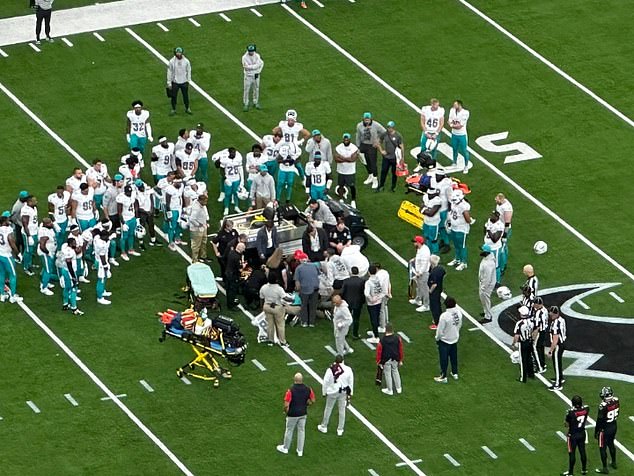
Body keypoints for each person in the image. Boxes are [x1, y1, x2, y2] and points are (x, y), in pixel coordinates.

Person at [277, 373, 315, 457]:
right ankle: (300, 450)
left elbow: (286, 405)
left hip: (292, 414)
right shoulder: (308, 389)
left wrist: (286, 412)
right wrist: (306, 404)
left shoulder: (290, 390)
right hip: (303, 413)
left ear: (294, 380)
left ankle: (286, 448)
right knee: (301, 431)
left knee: (289, 430)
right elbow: (313, 400)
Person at [317, 355, 354, 437]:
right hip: (343, 392)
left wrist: (324, 392)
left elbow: (325, 382)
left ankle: (324, 426)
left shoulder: (330, 369)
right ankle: (340, 429)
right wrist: (350, 393)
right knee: (342, 410)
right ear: (343, 360)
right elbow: (351, 382)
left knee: (328, 408)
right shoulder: (348, 369)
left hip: (332, 392)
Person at [434, 297, 462, 383]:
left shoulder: (444, 316)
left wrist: (437, 338)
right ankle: (455, 372)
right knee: (454, 357)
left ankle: (443, 376)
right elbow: (459, 325)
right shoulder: (459, 313)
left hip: (445, 341)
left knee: (444, 359)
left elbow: (439, 330)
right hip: (454, 338)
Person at [355, 112, 385, 189]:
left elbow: (384, 132)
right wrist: (358, 147)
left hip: (372, 145)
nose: (367, 121)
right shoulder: (359, 126)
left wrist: (378, 141)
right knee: (364, 161)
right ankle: (370, 175)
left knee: (373, 163)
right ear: (363, 119)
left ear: (371, 119)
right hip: (363, 145)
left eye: (368, 119)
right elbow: (358, 136)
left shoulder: (376, 125)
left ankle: (375, 179)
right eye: (366, 119)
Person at [561, 395, 589, 476]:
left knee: (572, 453)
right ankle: (584, 470)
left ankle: (570, 472)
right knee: (582, 451)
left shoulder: (570, 412)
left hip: (573, 435)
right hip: (582, 433)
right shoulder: (586, 409)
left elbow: (566, 424)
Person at [594, 386, 620, 474]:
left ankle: (604, 468)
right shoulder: (616, 400)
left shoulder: (603, 406)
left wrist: (597, 431)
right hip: (613, 426)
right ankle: (614, 462)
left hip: (605, 429)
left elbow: (599, 420)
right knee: (611, 444)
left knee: (602, 448)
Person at [56, 237, 83, 315]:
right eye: (74, 243)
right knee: (74, 288)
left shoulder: (65, 246)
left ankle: (65, 304)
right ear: (71, 244)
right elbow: (69, 263)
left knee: (67, 287)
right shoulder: (70, 252)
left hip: (64, 270)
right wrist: (73, 276)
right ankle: (74, 308)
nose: (75, 244)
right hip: (69, 271)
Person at [376, 121, 405, 193]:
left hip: (395, 158)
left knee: (394, 173)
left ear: (393, 128)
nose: (389, 129)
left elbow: (401, 146)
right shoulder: (385, 134)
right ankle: (381, 185)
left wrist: (402, 158)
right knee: (383, 172)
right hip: (386, 157)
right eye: (388, 127)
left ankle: (393, 186)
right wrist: (381, 151)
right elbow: (379, 142)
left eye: (390, 127)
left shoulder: (398, 135)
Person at [0, 213, 23, 303]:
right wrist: (18, 253)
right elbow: (11, 242)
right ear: (4, 222)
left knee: (1, 274)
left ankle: (2, 294)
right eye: (7, 220)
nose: (9, 221)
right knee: (13, 275)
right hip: (7, 256)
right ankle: (13, 296)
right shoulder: (8, 230)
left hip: (0, 254)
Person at [260, 274, 288, 347]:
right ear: (276, 280)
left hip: (267, 306)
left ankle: (270, 340)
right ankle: (282, 341)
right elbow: (285, 298)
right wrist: (292, 299)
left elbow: (261, 298)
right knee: (280, 325)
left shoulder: (264, 287)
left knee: (270, 325)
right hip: (277, 307)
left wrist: (262, 307)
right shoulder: (279, 288)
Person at [294, 251, 320, 327]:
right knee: (313, 306)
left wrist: (298, 291)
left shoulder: (298, 268)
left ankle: (304, 322)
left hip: (304, 289)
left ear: (300, 260)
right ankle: (312, 322)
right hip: (315, 288)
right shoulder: (314, 266)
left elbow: (297, 282)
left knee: (304, 306)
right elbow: (318, 275)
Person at [376, 323, 403, 395]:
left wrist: (378, 361)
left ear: (385, 330)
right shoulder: (397, 338)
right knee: (395, 371)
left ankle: (390, 390)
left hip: (386, 359)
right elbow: (400, 349)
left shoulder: (382, 340)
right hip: (395, 358)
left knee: (387, 374)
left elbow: (379, 351)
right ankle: (399, 388)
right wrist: (400, 360)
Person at [447, 189, 471, 271]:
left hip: (461, 228)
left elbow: (468, 219)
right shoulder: (454, 202)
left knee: (462, 246)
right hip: (454, 227)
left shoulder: (464, 206)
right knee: (456, 245)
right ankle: (457, 259)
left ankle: (464, 262)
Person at [334, 133, 360, 209]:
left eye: (347, 139)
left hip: (350, 171)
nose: (346, 140)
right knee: (341, 185)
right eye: (345, 139)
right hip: (341, 170)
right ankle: (341, 198)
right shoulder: (338, 147)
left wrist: (342, 158)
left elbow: (353, 159)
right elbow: (336, 159)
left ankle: (353, 200)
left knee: (352, 186)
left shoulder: (354, 148)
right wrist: (347, 159)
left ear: (350, 139)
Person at [511, 305, 535, 383]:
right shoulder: (531, 321)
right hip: (529, 341)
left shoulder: (520, 323)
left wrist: (513, 343)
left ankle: (523, 377)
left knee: (523, 360)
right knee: (529, 358)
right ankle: (531, 374)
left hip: (523, 343)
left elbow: (517, 335)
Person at [116, 184, 139, 261]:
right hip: (125, 219)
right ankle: (123, 252)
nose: (129, 194)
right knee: (124, 236)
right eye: (128, 192)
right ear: (125, 192)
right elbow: (119, 212)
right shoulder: (121, 198)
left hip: (132, 217)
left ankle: (131, 249)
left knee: (131, 234)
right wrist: (123, 223)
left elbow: (135, 204)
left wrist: (137, 217)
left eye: (130, 192)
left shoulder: (133, 194)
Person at [341, 266, 365, 340]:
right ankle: (355, 334)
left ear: (351, 272)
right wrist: (363, 301)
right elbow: (363, 292)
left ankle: (346, 333)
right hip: (358, 302)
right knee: (356, 319)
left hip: (347, 302)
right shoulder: (361, 281)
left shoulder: (346, 281)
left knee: (346, 318)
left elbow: (342, 292)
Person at [167, 47, 192, 115]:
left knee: (185, 96)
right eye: (177, 52)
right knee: (173, 96)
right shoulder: (172, 61)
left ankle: (187, 108)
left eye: (179, 52)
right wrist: (169, 82)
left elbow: (189, 70)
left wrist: (188, 80)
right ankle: (173, 109)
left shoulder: (186, 61)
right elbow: (170, 72)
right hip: (175, 82)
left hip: (184, 82)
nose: (178, 54)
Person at [409, 235, 430, 313]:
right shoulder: (420, 249)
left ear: (418, 242)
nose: (414, 244)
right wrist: (414, 259)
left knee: (424, 289)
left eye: (415, 242)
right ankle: (418, 300)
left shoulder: (425, 251)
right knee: (419, 287)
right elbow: (419, 258)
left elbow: (424, 264)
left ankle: (426, 305)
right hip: (419, 272)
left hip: (423, 273)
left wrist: (420, 273)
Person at [448, 100, 470, 173]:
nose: (454, 106)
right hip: (454, 134)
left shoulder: (465, 113)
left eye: (455, 105)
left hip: (462, 135)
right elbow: (449, 121)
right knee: (454, 149)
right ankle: (454, 162)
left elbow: (460, 126)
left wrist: (452, 125)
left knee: (464, 151)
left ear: (459, 105)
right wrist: (452, 125)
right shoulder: (452, 110)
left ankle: (466, 165)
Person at [364, 265, 384, 344]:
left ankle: (376, 337)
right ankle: (375, 331)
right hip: (378, 301)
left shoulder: (368, 282)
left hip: (372, 303)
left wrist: (371, 299)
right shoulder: (378, 279)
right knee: (376, 317)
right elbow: (381, 290)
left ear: (369, 272)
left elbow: (366, 293)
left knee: (373, 319)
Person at [548, 306, 566, 391]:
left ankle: (558, 384)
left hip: (558, 345)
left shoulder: (555, 324)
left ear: (556, 314)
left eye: (552, 315)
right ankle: (560, 377)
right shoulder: (561, 319)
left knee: (556, 363)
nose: (551, 316)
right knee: (558, 362)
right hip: (562, 343)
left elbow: (555, 340)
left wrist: (551, 351)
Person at [37, 218, 56, 296]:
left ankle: (44, 282)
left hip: (50, 251)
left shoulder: (46, 228)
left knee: (47, 268)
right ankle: (44, 288)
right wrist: (48, 253)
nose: (51, 224)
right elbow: (42, 246)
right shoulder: (44, 233)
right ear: (45, 224)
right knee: (48, 270)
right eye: (49, 223)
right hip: (45, 253)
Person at [483, 211, 504, 283]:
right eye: (491, 214)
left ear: (497, 217)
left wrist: (488, 230)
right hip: (487, 247)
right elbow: (485, 231)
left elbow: (495, 239)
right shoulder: (489, 221)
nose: (491, 216)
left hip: (495, 248)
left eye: (493, 215)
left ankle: (497, 282)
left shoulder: (500, 225)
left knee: (496, 265)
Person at [495, 193, 513, 276]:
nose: (495, 200)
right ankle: (504, 263)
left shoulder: (507, 208)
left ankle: (502, 267)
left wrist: (505, 235)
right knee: (504, 247)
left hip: (504, 230)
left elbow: (507, 222)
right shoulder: (500, 204)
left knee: (501, 249)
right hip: (499, 227)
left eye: (497, 199)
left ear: (501, 199)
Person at [478, 244, 497, 324]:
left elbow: (487, 277)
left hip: (487, 284)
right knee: (484, 299)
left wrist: (483, 287)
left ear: (486, 252)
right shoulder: (488, 257)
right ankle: (486, 311)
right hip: (485, 282)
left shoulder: (488, 263)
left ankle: (488, 316)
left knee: (485, 299)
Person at [20, 195, 39, 276]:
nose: (36, 202)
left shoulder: (33, 207)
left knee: (31, 250)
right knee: (28, 251)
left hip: (34, 231)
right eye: (34, 200)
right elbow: (25, 224)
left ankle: (29, 263)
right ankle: (26, 267)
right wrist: (29, 236)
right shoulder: (25, 210)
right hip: (28, 233)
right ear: (29, 202)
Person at [242, 44, 264, 111]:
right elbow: (246, 67)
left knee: (256, 89)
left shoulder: (257, 56)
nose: (251, 52)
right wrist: (255, 67)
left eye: (252, 51)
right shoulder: (244, 57)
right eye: (250, 51)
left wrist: (256, 70)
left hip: (256, 75)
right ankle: (246, 103)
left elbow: (260, 64)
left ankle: (255, 102)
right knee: (246, 89)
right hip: (248, 76)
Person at [164, 179, 184, 251]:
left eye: (180, 182)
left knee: (179, 224)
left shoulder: (181, 186)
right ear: (174, 182)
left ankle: (177, 238)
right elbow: (167, 203)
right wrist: (169, 214)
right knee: (172, 226)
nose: (180, 184)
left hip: (179, 208)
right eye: (178, 183)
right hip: (173, 209)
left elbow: (181, 197)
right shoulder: (170, 189)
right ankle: (170, 243)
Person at [94, 229, 112, 305]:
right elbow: (102, 257)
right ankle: (100, 297)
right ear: (103, 237)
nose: (108, 238)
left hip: (98, 259)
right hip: (101, 262)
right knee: (101, 279)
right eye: (107, 237)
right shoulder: (102, 245)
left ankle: (102, 291)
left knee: (104, 278)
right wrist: (106, 267)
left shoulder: (97, 237)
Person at [188, 195, 209, 263]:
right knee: (196, 245)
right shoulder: (196, 208)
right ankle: (195, 260)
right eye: (205, 201)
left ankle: (203, 256)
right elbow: (191, 219)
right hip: (196, 229)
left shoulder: (199, 205)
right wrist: (198, 224)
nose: (206, 202)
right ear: (200, 201)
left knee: (204, 242)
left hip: (203, 227)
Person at [421, 188, 442, 255]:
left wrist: (424, 210)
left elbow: (431, 213)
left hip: (434, 223)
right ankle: (428, 252)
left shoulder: (437, 201)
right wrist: (425, 210)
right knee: (427, 237)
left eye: (431, 194)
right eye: (429, 194)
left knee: (433, 240)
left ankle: (435, 255)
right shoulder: (425, 197)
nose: (430, 195)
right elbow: (421, 208)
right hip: (426, 221)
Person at [225, 242, 245, 310]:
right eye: (243, 249)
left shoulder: (232, 252)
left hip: (228, 273)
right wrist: (243, 265)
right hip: (233, 276)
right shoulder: (237, 257)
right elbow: (240, 269)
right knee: (232, 291)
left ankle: (231, 302)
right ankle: (231, 305)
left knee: (229, 290)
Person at [531, 297, 548, 373]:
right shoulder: (544, 309)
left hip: (539, 332)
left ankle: (540, 367)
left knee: (535, 348)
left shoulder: (538, 313)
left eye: (535, 304)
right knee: (541, 348)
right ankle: (543, 363)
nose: (534, 305)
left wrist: (533, 337)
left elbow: (537, 327)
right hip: (544, 331)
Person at [428, 255, 445, 329]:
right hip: (439, 289)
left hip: (435, 291)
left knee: (434, 307)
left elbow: (434, 284)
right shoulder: (441, 268)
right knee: (438, 305)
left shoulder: (434, 272)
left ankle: (437, 323)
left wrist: (430, 291)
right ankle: (440, 320)